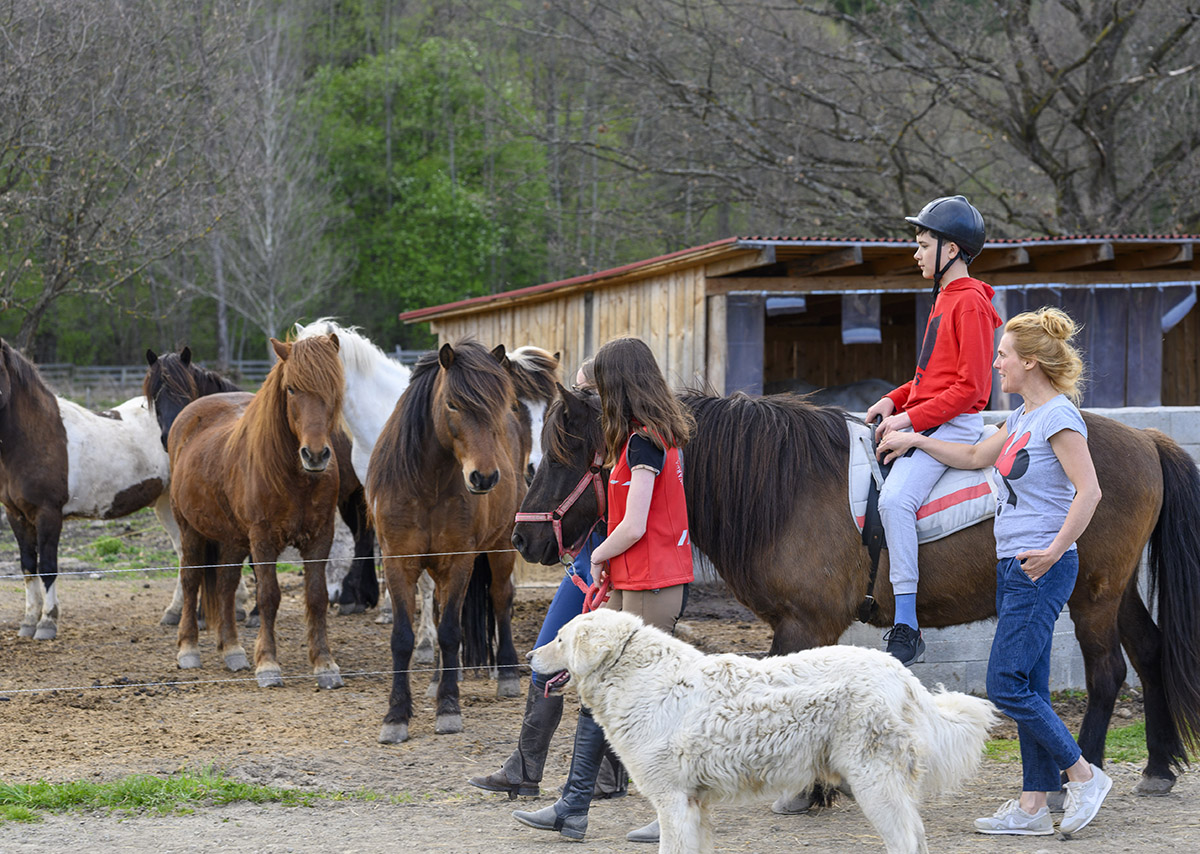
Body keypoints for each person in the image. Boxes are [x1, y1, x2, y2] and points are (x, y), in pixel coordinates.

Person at [877, 307, 1110, 837]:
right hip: (1012, 566)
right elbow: (975, 453)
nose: (996, 364)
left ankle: (1082, 774)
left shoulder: (1059, 417)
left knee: (1004, 684)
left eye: (1003, 355)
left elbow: (1090, 491)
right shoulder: (1021, 418)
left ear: (1030, 361)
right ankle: (1032, 806)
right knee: (1030, 682)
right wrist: (916, 440)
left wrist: (1053, 552)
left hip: (1040, 567)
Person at [512, 336, 694, 844]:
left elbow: (634, 524)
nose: (595, 396)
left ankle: (675, 811)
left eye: (602, 384)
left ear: (620, 384)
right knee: (599, 693)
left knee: (652, 701)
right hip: (637, 579)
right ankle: (572, 807)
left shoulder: (642, 443)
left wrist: (596, 556)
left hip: (651, 581)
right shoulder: (648, 436)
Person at [468, 358, 628, 802]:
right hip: (590, 564)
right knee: (552, 656)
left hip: (604, 567)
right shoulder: (598, 445)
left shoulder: (623, 449)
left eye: (585, 393)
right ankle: (531, 768)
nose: (575, 404)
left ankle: (595, 775)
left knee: (585, 665)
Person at [865, 194, 1002, 665]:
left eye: (923, 244)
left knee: (895, 499)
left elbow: (969, 389)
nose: (916, 253)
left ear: (951, 250)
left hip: (955, 427)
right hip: (932, 415)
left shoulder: (969, 305)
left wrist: (910, 421)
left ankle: (906, 623)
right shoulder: (946, 297)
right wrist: (894, 399)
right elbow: (931, 380)